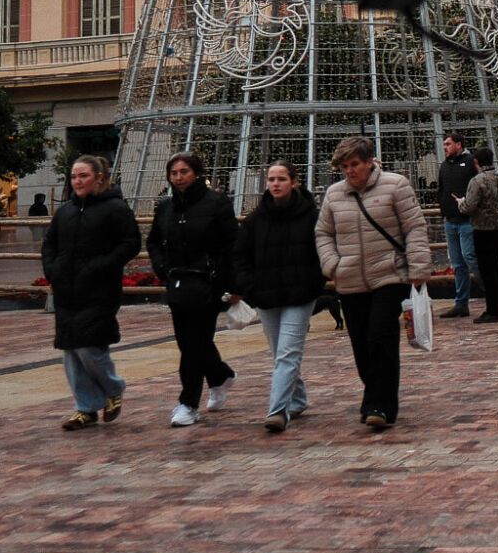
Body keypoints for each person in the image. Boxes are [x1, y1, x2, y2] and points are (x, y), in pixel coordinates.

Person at [316, 136, 431, 433]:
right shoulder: (333, 195)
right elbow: (323, 233)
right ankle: (375, 395)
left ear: (370, 162)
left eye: (354, 164)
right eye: (344, 166)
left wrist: (418, 268)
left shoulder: (396, 185)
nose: (349, 171)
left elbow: (414, 227)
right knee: (361, 346)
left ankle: (380, 404)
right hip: (350, 279)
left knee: (380, 337)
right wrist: (333, 265)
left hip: (388, 275)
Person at [43, 155, 142, 431]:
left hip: (99, 288)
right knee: (70, 350)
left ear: (99, 177)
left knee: (89, 345)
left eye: (83, 175)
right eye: (74, 176)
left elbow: (130, 243)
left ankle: (113, 388)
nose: (77, 181)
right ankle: (85, 407)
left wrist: (101, 266)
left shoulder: (115, 208)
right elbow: (50, 243)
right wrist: (53, 269)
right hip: (66, 290)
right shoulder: (65, 212)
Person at [147, 152, 239, 428]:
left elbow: (232, 243)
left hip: (208, 283)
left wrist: (233, 283)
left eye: (184, 172)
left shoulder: (216, 203)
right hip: (177, 282)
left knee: (194, 343)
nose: (178, 177)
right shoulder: (165, 208)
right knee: (186, 340)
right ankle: (220, 375)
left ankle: (188, 402)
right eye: (174, 173)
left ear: (196, 173)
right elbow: (153, 240)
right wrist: (161, 265)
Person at [234, 161, 325, 433]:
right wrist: (249, 287)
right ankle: (297, 399)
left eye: (281, 179)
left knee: (288, 352)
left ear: (294, 182)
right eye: (271, 179)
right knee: (279, 353)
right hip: (267, 294)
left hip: (300, 294)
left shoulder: (311, 216)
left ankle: (277, 411)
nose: (275, 184)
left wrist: (314, 282)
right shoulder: (256, 219)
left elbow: (322, 251)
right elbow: (240, 256)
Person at [457, 146, 498, 324]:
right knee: (496, 267)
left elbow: (470, 207)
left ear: (476, 162)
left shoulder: (477, 181)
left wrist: (461, 203)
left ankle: (492, 309)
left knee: (487, 271)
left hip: (482, 230)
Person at [436, 132, 479, 319]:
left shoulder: (470, 162)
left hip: (467, 220)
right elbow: (441, 189)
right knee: (457, 264)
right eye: (444, 144)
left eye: (448, 144)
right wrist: (443, 210)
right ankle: (461, 303)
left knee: (470, 256)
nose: (445, 147)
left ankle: (492, 289)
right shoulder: (444, 166)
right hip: (450, 221)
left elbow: (479, 185)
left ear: (459, 145)